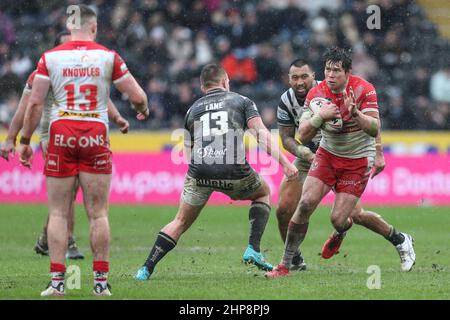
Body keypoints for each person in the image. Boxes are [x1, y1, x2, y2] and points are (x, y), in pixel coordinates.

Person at [17, 5, 149, 296]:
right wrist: (142, 109)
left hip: (61, 133)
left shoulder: (50, 58)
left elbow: (35, 103)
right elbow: (137, 95)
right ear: (94, 28)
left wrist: (25, 141)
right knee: (98, 214)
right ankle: (100, 285)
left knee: (58, 213)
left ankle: (57, 283)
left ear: (69, 27)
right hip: (94, 133)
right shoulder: (107, 56)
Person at [134, 63, 298, 281]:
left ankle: (145, 269)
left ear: (203, 88)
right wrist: (285, 163)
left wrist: (202, 173)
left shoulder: (193, 109)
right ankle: (253, 249)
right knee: (262, 193)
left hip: (199, 171)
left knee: (180, 221)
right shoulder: (241, 101)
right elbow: (261, 135)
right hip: (233, 170)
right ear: (225, 81)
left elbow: (188, 150)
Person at [266, 48, 416, 278]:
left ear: (347, 72)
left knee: (342, 218)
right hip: (324, 154)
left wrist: (357, 116)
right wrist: (321, 116)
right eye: (328, 70)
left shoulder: (364, 89)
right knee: (303, 204)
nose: (331, 75)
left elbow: (374, 127)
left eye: (336, 70)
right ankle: (286, 265)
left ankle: (395, 238)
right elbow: (301, 136)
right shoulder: (315, 94)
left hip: (356, 160)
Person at [0, 31, 130, 260]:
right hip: (54, 135)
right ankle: (66, 240)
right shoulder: (43, 72)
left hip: (83, 134)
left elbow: (102, 97)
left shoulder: (84, 72)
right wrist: (13, 138)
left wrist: (117, 117)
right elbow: (26, 106)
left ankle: (47, 235)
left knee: (69, 194)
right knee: (69, 192)